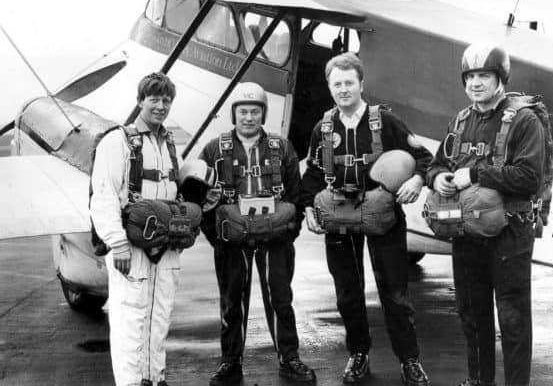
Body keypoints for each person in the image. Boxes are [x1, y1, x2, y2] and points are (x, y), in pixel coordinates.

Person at [300, 52, 433, 386]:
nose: (343, 89)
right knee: (347, 292)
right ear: (329, 87)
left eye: (349, 82)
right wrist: (307, 210)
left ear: (361, 84)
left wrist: (417, 180)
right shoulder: (323, 129)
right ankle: (358, 354)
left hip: (382, 214)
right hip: (340, 217)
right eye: (337, 84)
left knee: (395, 292)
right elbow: (313, 175)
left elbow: (424, 159)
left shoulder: (385, 122)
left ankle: (410, 360)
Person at [426, 43, 545, 386]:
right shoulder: (461, 121)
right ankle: (480, 381)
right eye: (471, 76)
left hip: (511, 232)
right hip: (468, 233)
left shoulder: (524, 120)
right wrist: (440, 178)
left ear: (500, 78)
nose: (476, 83)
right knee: (472, 314)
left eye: (484, 76)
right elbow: (438, 162)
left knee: (512, 318)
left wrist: (476, 175)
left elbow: (529, 178)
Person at [198, 82, 316, 385]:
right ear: (234, 114)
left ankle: (289, 358)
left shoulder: (281, 148)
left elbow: (296, 195)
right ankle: (230, 362)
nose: (248, 117)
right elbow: (200, 198)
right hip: (231, 243)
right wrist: (218, 237)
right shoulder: (214, 149)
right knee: (231, 302)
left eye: (254, 111)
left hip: (274, 241)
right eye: (243, 111)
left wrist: (287, 231)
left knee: (281, 299)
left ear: (262, 115)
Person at [90, 72, 183, 386]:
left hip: (165, 248)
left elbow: (175, 191)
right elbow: (103, 194)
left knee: (159, 320)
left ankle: (154, 379)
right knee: (130, 319)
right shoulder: (117, 142)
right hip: (130, 248)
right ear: (140, 100)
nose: (160, 106)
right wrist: (116, 243)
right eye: (153, 99)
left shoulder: (169, 144)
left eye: (166, 99)